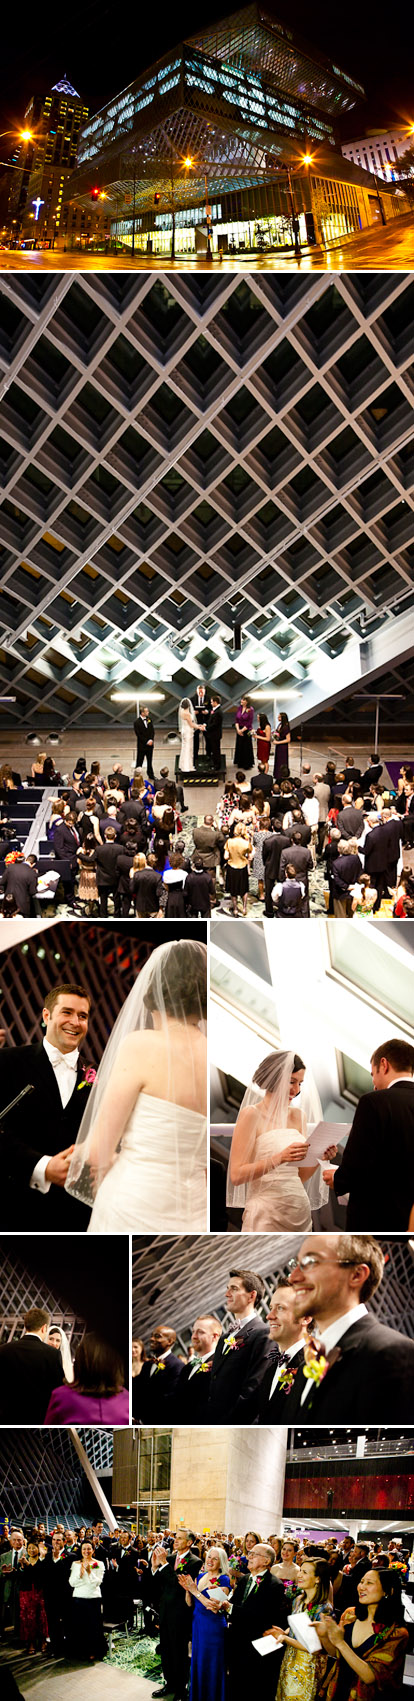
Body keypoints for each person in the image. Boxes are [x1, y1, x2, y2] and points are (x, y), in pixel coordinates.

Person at [65, 938, 207, 1235]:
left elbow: (98, 1151)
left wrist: (100, 1154)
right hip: (194, 1211)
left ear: (154, 989)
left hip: (135, 1202)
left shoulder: (142, 1045)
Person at [279, 1232, 414, 1422]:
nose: (293, 1277)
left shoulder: (393, 1353)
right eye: (296, 1264)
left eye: (310, 1262)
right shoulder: (305, 1366)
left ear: (357, 1275)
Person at [0, 981, 93, 1232]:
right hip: (12, 1207)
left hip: (74, 1218)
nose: (75, 1022)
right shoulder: (7, 1061)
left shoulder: (97, 1076)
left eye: (82, 1016)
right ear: (46, 1015)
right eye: (67, 1012)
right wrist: (43, 1166)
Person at [227, 1050, 327, 1232]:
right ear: (274, 1079)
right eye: (291, 1082)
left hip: (299, 1210)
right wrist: (279, 1158)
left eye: (300, 1083)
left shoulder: (299, 1116)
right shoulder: (251, 1114)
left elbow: (300, 1176)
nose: (296, 1090)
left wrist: (321, 1156)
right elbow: (236, 1175)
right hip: (266, 1212)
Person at [323, 1037, 414, 1230]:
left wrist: (338, 1179)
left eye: (373, 1074)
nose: (374, 1083)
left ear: (384, 1064)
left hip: (376, 1217)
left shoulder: (373, 1102)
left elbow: (358, 1161)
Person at [317, 1567, 408, 1701]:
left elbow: (370, 1676)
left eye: (369, 1583)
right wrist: (324, 1636)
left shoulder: (396, 1633)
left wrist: (340, 1642)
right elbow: (336, 1654)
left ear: (387, 1591)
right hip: (338, 1688)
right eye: (361, 1581)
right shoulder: (350, 1615)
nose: (362, 1587)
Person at [265, 1556, 332, 1700]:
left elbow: (314, 1647)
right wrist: (284, 1632)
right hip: (290, 1658)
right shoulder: (298, 1600)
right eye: (300, 1570)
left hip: (308, 1665)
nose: (299, 1575)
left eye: (305, 1572)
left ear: (318, 1579)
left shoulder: (323, 1609)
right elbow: (296, 1629)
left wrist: (285, 1638)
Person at [208, 1269, 271, 1422]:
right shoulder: (224, 1338)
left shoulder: (263, 1333)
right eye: (227, 1289)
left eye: (234, 1289)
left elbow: (253, 1388)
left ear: (252, 1295)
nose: (227, 1294)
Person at [229, 1543, 288, 1701]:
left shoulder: (274, 1585)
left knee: (253, 1688)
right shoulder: (244, 1580)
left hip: (256, 1644)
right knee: (235, 1684)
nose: (249, 1557)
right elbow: (234, 1604)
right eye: (249, 1553)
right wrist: (222, 1605)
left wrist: (230, 1609)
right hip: (237, 1640)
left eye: (254, 1554)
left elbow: (262, 1616)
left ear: (266, 1561)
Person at [151, 1532, 200, 1701]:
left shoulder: (195, 1561)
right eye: (175, 1537)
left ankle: (181, 1688)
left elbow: (179, 1586)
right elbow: (159, 1582)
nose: (175, 1541)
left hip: (180, 1613)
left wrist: (163, 1564)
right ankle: (169, 1683)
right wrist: (154, 1567)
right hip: (165, 1610)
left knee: (179, 1651)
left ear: (190, 1542)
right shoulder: (171, 1558)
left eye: (179, 1538)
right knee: (165, 1649)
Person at [179, 1544, 230, 1701]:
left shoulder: (224, 1579)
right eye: (209, 1557)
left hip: (213, 1627)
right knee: (198, 1661)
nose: (210, 1560)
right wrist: (188, 1590)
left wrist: (194, 1590)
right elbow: (190, 1603)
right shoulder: (200, 1577)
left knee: (211, 1663)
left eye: (215, 1558)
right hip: (198, 1624)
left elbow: (213, 1606)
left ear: (221, 1562)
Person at [44, 1332, 129, 1425]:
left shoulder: (61, 1396)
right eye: (51, 1339)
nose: (54, 1343)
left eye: (57, 1340)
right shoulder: (126, 1399)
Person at [0, 1307, 64, 1424]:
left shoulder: (4, 1350)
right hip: (38, 1418)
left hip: (6, 1417)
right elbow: (58, 1390)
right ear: (44, 1328)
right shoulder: (53, 1354)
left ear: (26, 1326)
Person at [257, 1281, 310, 1422]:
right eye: (270, 1308)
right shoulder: (270, 1369)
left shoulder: (315, 1366)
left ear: (305, 1318)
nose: (269, 1316)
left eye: (280, 1308)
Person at [133, 1324, 184, 1421]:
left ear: (169, 1341)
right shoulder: (147, 1364)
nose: (151, 1339)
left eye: (157, 1336)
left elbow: (171, 1397)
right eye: (152, 1336)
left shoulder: (177, 1365)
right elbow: (139, 1390)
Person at [177, 1316, 223, 1421]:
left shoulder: (220, 1365)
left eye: (200, 1332)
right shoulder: (187, 1368)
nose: (193, 1336)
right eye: (193, 1332)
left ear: (215, 1337)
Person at [67, 1539, 106, 1662]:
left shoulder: (97, 1564)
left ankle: (93, 1651)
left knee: (93, 1627)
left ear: (93, 1550)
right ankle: (80, 1651)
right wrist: (80, 1575)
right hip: (79, 1598)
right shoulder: (76, 1564)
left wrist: (89, 1573)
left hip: (93, 1598)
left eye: (89, 1548)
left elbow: (96, 1583)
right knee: (80, 1626)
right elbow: (72, 1583)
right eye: (84, 1549)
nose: (86, 1551)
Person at [17, 1540, 48, 1655]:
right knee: (28, 1618)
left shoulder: (42, 1561)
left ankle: (43, 1641)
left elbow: (38, 1575)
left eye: (34, 1548)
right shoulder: (23, 1560)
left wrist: (28, 1565)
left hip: (39, 1593)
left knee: (41, 1617)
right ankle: (30, 1643)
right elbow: (22, 1577)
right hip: (26, 1593)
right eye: (29, 1548)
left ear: (38, 1549)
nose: (31, 1550)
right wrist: (20, 1568)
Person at [0, 852, 39, 918]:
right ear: (34, 864)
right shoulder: (32, 873)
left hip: (8, 903)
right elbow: (32, 892)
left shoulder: (11, 867)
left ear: (26, 859)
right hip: (22, 906)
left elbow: (2, 882)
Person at [134, 706, 155, 777]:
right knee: (139, 761)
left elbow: (152, 731)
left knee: (150, 761)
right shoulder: (137, 722)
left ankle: (151, 774)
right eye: (146, 711)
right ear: (142, 713)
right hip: (142, 746)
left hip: (150, 745)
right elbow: (139, 735)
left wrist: (151, 739)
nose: (148, 712)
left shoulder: (149, 720)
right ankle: (137, 776)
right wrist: (146, 741)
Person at [192, 684, 211, 763]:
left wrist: (207, 712)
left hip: (205, 721)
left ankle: (208, 754)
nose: (200, 694)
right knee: (195, 739)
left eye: (202, 692)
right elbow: (190, 709)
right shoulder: (193, 699)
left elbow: (211, 708)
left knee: (208, 739)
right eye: (199, 692)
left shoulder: (208, 699)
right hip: (196, 721)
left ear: (204, 691)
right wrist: (193, 712)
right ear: (197, 692)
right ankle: (195, 754)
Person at [234, 697, 254, 768]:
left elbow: (249, 722)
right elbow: (236, 720)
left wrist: (242, 730)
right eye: (241, 699)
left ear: (247, 702)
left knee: (246, 747)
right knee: (239, 746)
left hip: (246, 730)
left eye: (243, 700)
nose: (241, 701)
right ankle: (240, 762)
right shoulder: (239, 708)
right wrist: (238, 730)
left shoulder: (250, 710)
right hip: (239, 729)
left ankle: (247, 764)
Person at [179, 698, 197, 771]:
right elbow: (191, 725)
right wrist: (199, 727)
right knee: (188, 748)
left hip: (184, 730)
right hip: (188, 731)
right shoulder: (187, 714)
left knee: (184, 747)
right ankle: (187, 766)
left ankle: (183, 764)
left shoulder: (182, 712)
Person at [206, 695, 223, 769]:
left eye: (212, 702)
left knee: (216, 750)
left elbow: (215, 724)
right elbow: (211, 720)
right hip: (212, 734)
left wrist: (206, 728)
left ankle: (217, 765)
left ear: (216, 702)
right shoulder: (214, 710)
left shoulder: (218, 712)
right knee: (213, 749)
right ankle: (214, 762)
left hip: (215, 734)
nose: (211, 703)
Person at [273, 712, 291, 780]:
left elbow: (288, 739)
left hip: (283, 747)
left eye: (279, 717)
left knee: (282, 761)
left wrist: (278, 742)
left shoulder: (286, 727)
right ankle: (277, 774)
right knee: (278, 761)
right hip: (279, 746)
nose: (278, 718)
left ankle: (282, 775)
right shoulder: (280, 724)